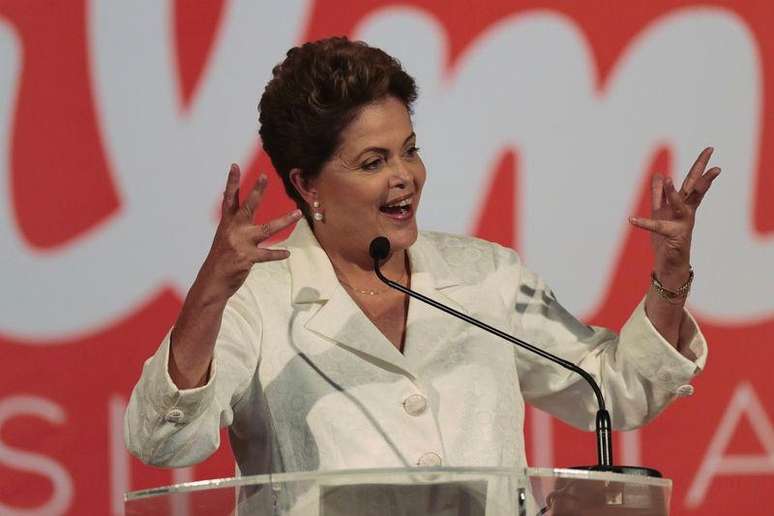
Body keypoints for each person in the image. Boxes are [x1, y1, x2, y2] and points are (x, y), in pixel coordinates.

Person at [125, 37, 717, 478]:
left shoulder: (487, 275)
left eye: (409, 151)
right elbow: (162, 442)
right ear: (307, 185)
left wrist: (669, 276)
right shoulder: (257, 300)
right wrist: (208, 292)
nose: (404, 177)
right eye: (373, 162)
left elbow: (614, 390)